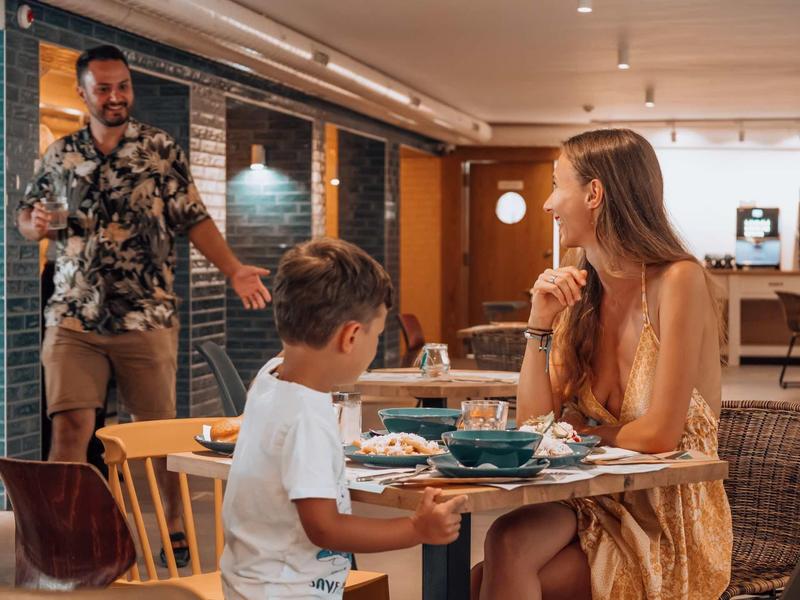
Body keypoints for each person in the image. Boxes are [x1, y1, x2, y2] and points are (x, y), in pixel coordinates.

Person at [17, 44, 271, 566]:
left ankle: (173, 528)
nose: (116, 97)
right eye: (104, 88)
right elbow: (26, 217)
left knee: (154, 431)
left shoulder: (159, 149)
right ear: (82, 92)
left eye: (123, 86)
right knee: (69, 429)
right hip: (72, 316)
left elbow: (194, 217)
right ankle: (60, 536)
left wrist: (234, 269)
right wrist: (33, 225)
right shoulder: (60, 154)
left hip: (146, 315)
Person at [471, 129, 732, 600]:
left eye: (556, 184)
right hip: (596, 494)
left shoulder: (679, 280)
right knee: (504, 540)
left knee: (487, 579)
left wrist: (582, 433)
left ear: (594, 193)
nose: (548, 204)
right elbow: (536, 426)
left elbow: (659, 436)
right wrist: (539, 325)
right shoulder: (579, 286)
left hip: (667, 515)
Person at [221, 238, 468, 599]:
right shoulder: (307, 418)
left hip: (251, 582)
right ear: (351, 335)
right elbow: (325, 529)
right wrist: (416, 529)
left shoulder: (270, 376)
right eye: (378, 334)